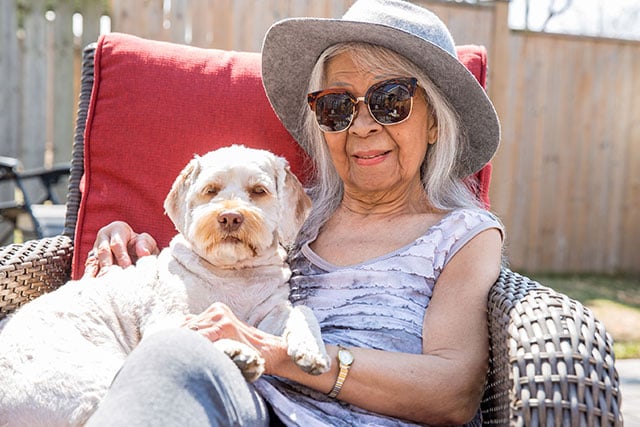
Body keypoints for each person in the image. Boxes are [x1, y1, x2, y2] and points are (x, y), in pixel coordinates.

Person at [85, 0, 504, 425]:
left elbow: (453, 393)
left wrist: (286, 355)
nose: (362, 126)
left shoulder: (462, 235)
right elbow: (199, 262)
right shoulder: (288, 210)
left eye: (390, 100)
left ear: (435, 121)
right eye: (338, 106)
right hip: (240, 406)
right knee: (169, 350)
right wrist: (124, 234)